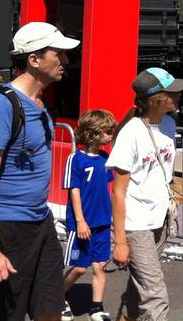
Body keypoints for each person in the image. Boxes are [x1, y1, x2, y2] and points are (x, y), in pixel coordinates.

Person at [0, 21, 79, 321]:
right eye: (59, 54)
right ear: (34, 60)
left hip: (40, 224)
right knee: (4, 316)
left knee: (51, 310)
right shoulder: (1, 106)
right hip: (8, 229)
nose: (66, 62)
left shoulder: (39, 104)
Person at [107, 68, 183, 321]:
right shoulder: (131, 133)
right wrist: (120, 241)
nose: (179, 95)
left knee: (139, 286)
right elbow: (118, 192)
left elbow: (160, 172)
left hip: (161, 219)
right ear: (155, 98)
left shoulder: (169, 124)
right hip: (136, 224)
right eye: (172, 91)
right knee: (155, 295)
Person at [62, 109, 116, 321]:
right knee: (79, 268)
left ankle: (96, 307)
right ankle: (58, 297)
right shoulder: (76, 159)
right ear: (94, 134)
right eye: (107, 132)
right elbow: (73, 190)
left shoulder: (105, 158)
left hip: (102, 223)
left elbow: (109, 188)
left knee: (100, 266)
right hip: (82, 224)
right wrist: (80, 221)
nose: (111, 135)